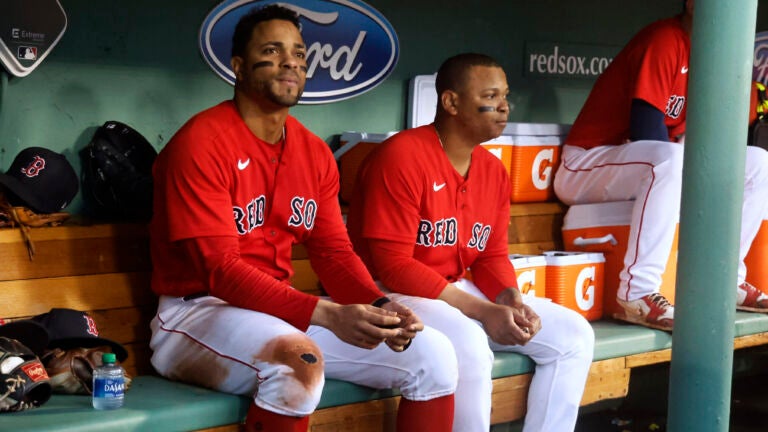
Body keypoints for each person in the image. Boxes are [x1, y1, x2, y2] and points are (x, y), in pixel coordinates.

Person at [147, 5, 457, 432]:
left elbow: (333, 252)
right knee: (298, 365)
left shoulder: (313, 153)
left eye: (298, 53)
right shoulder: (200, 144)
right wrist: (327, 313)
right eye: (272, 51)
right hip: (193, 315)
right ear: (238, 66)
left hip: (278, 309)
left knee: (435, 355)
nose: (289, 61)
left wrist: (381, 306)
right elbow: (219, 270)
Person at [347, 53, 595, 432]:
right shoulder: (401, 156)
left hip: (454, 290)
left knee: (574, 335)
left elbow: (491, 255)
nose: (503, 106)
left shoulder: (493, 170)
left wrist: (509, 298)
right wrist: (481, 311)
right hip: (389, 293)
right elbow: (392, 266)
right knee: (470, 344)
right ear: (450, 102)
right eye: (491, 96)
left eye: (505, 96)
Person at [553, 0, 768, 332]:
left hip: (646, 164)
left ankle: (724, 279)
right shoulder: (667, 39)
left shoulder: (717, 57)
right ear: (694, 4)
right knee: (669, 159)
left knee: (757, 162)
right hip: (587, 163)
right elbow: (645, 128)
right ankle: (636, 293)